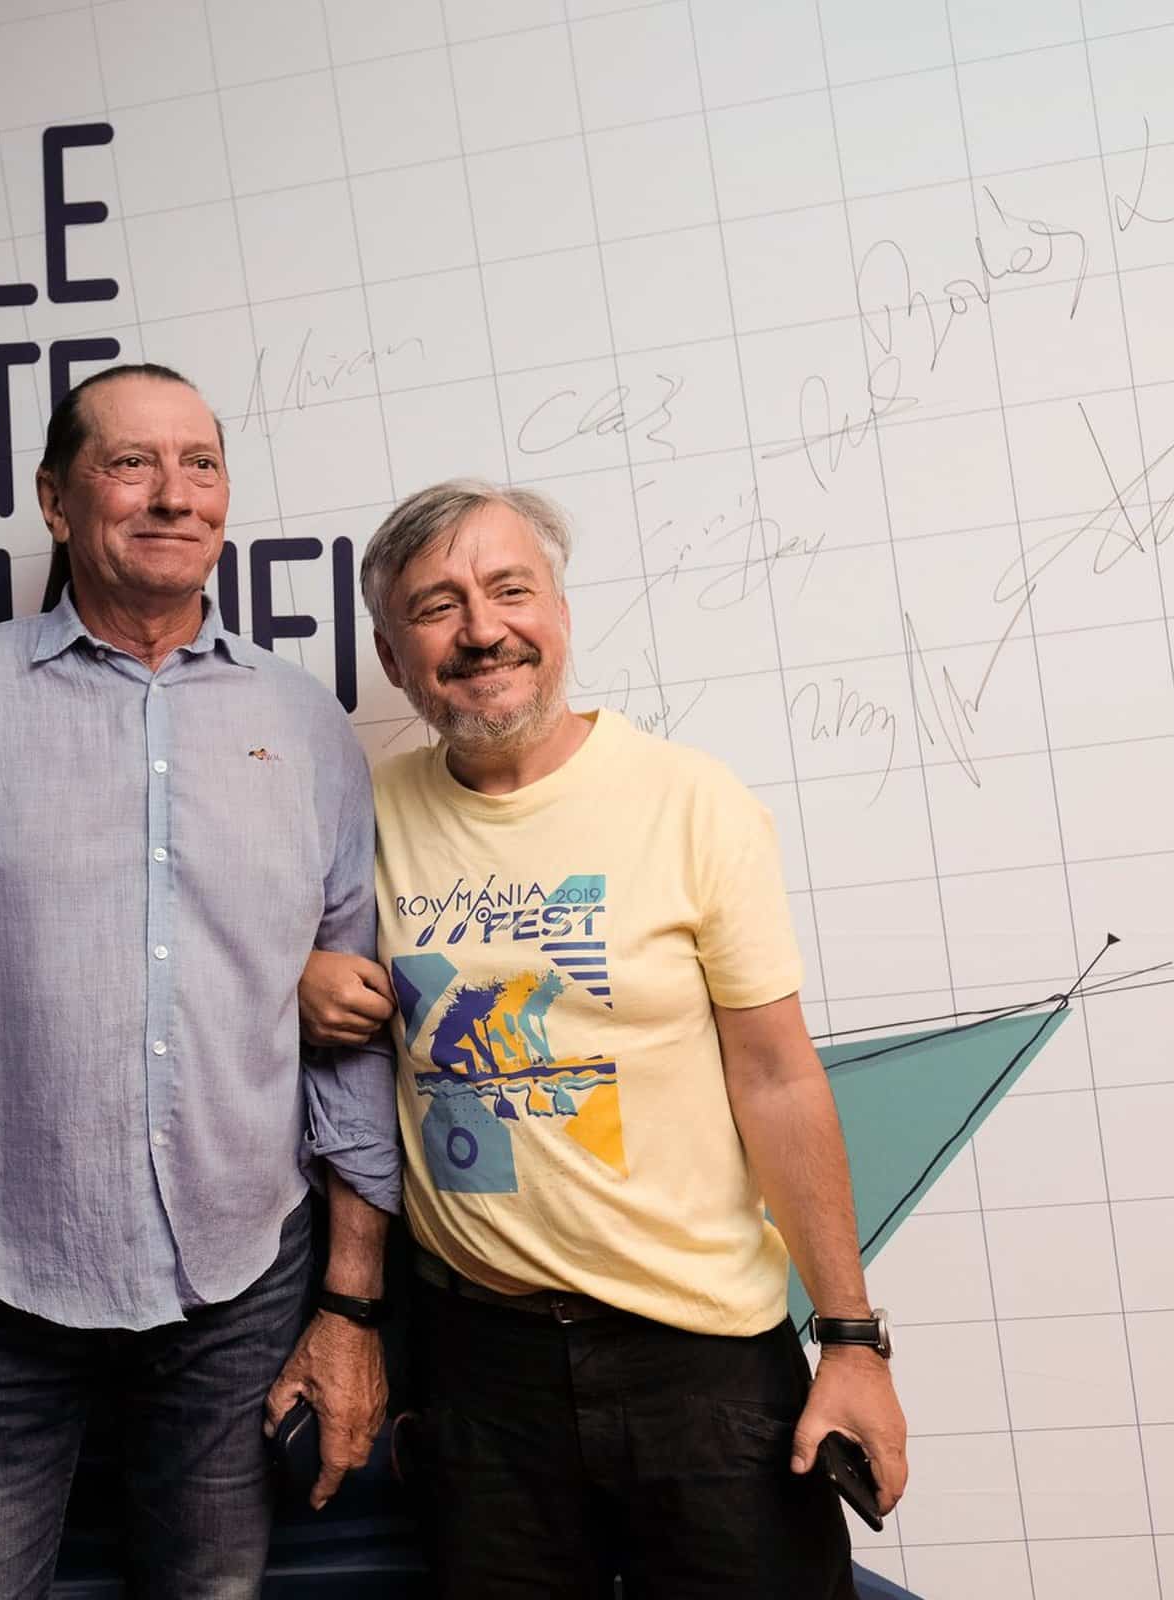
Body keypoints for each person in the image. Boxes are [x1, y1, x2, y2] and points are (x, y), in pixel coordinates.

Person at [0, 363, 402, 1598]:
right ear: (56, 501)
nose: (174, 494)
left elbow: (351, 1040)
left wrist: (349, 1308)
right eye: (131, 463)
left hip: (241, 1281)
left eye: (200, 464)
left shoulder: (306, 726)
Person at [300, 479, 908, 1598]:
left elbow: (778, 1079)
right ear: (391, 657)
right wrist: (293, 978)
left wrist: (853, 1341)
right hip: (479, 1380)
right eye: (436, 606)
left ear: (561, 614)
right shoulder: (360, 820)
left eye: (510, 589)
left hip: (704, 1366)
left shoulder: (690, 801)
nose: (482, 629)